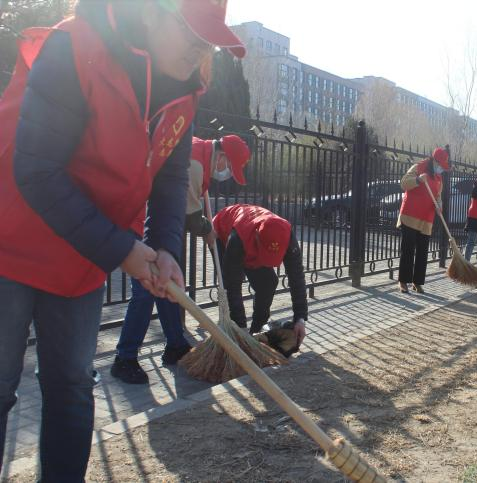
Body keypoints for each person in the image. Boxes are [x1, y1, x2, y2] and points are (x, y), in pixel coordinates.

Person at [0, 0, 245, 479]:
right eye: (190, 32)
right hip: (12, 240)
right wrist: (124, 250)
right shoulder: (76, 46)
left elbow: (171, 178)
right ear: (153, 11)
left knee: (71, 384)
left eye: (208, 40)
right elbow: (37, 170)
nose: (199, 49)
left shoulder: (186, 87)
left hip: (80, 257)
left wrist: (166, 248)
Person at [111, 135, 250, 384]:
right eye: (228, 166)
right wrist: (207, 229)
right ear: (221, 156)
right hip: (143, 220)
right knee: (145, 292)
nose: (227, 173)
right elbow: (189, 215)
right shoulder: (197, 162)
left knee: (168, 285)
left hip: (155, 223)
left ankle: (175, 344)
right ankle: (125, 358)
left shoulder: (199, 151)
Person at [212, 204, 307, 346]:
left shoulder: (287, 236)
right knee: (230, 283)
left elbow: (297, 277)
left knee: (268, 283)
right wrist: (241, 327)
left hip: (250, 242)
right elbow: (232, 285)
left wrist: (300, 318)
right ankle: (234, 331)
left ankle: (257, 331)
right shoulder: (238, 238)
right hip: (221, 233)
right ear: (257, 237)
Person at [396, 147, 451, 294]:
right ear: (434, 161)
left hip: (426, 218)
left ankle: (418, 282)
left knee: (422, 251)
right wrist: (418, 179)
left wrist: (439, 205)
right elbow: (404, 183)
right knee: (408, 250)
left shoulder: (439, 178)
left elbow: (438, 195)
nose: (441, 169)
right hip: (411, 215)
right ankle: (403, 281)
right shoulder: (418, 168)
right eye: (440, 166)